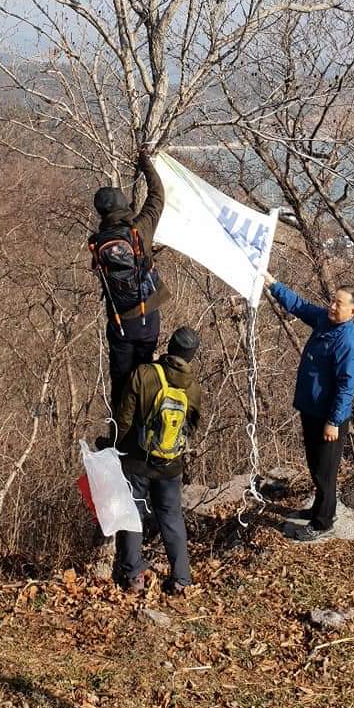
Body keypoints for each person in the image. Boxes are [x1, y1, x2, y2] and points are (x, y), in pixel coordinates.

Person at [264, 274, 354, 541]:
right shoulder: (325, 321)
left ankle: (323, 522)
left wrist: (334, 421)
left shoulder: (348, 341)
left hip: (328, 416)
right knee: (316, 465)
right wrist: (273, 285)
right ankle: (319, 509)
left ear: (352, 311)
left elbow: (346, 386)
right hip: (311, 408)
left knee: (325, 472)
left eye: (339, 304)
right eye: (332, 300)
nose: (332, 306)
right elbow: (300, 306)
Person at [113, 326, 202, 595]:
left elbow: (124, 419)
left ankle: (134, 576)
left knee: (133, 515)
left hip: (138, 461)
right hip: (171, 464)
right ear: (191, 355)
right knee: (171, 517)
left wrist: (117, 446)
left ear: (170, 347)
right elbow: (192, 424)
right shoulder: (193, 386)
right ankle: (181, 579)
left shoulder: (145, 374)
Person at [90, 150, 169, 410]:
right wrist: (146, 163)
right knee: (145, 377)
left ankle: (117, 438)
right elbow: (157, 197)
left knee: (121, 382)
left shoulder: (97, 242)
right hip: (147, 317)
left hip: (118, 322)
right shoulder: (140, 230)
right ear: (124, 205)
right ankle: (143, 431)